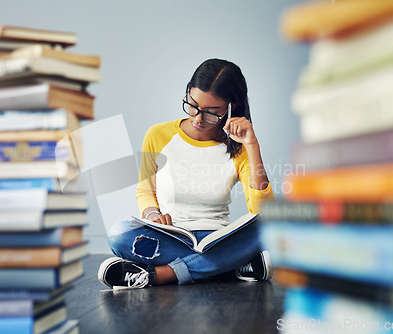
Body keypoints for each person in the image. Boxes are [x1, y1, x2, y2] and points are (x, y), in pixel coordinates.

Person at [98, 58, 275, 289]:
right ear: (188, 92)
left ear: (233, 108)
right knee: (119, 234)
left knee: (270, 224)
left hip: (220, 240)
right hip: (171, 238)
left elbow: (261, 211)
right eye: (193, 105)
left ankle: (161, 275)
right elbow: (145, 190)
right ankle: (230, 267)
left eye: (212, 112)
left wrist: (252, 146)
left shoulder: (239, 147)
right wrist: (152, 215)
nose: (198, 118)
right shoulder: (158, 135)